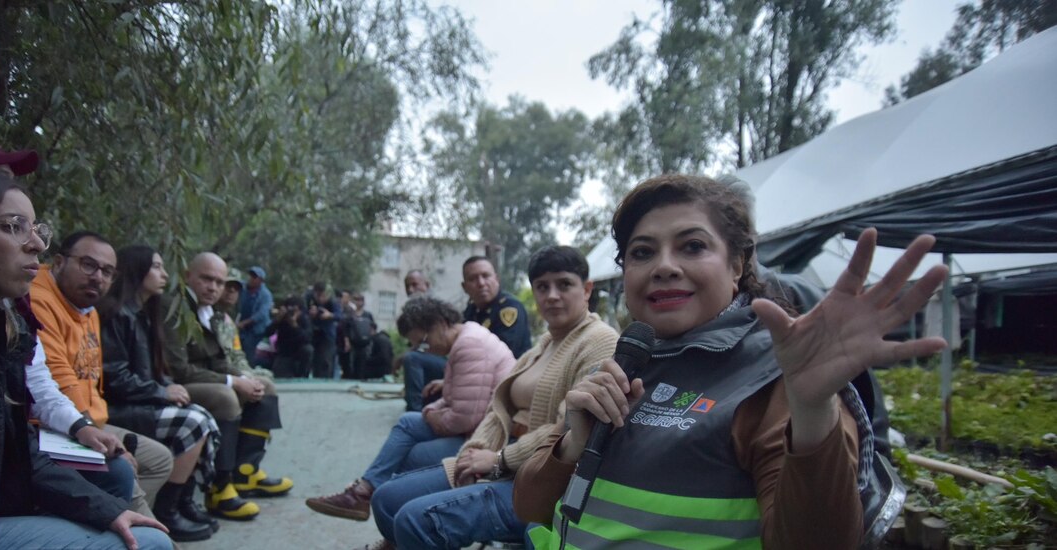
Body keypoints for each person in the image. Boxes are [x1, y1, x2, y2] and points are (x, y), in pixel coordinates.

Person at [513, 174, 949, 549]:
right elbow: (530, 507)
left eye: (693, 246)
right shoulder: (625, 363)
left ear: (737, 264)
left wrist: (813, 408)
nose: (664, 266)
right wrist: (572, 444)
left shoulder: (781, 377)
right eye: (642, 252)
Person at [0, 166, 172, 550]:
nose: (35, 245)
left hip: (72, 434)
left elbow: (11, 445)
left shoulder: (4, 320)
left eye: (36, 230)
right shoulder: (31, 308)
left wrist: (105, 509)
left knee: (148, 466)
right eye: (12, 227)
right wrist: (84, 426)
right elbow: (54, 385)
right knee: (125, 476)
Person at [362, 246, 620, 549]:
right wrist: (475, 452)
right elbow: (498, 410)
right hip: (500, 458)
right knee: (385, 499)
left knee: (412, 519)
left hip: (538, 481)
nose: (551, 295)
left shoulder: (600, 342)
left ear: (586, 289)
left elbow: (570, 429)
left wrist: (498, 460)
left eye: (564, 284)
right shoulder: (545, 343)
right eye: (542, 287)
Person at [306, 295, 516, 523]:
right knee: (407, 422)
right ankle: (364, 493)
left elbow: (464, 419)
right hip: (476, 425)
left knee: (409, 457)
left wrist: (431, 414)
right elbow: (454, 399)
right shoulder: (466, 338)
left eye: (424, 342)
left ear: (439, 324)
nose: (425, 349)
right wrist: (432, 411)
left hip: (489, 438)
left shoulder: (469, 346)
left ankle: (388, 525)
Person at [29, 231, 176, 519]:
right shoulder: (39, 300)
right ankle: (133, 522)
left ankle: (116, 519)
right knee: (121, 470)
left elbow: (93, 379)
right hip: (51, 426)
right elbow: (58, 380)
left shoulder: (88, 308)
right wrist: (94, 433)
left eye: (107, 271)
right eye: (88, 265)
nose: (98, 277)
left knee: (159, 460)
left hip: (92, 420)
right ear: (59, 262)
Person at [99, 245, 221, 541]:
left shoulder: (143, 313)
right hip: (116, 406)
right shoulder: (116, 313)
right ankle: (168, 511)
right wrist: (161, 392)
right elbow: (114, 377)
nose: (164, 274)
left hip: (138, 398)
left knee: (201, 415)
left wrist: (166, 386)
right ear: (136, 269)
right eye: (156, 267)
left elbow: (152, 369)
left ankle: (181, 502)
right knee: (193, 423)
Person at [163, 252, 293, 520]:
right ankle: (219, 488)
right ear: (188, 276)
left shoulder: (211, 312)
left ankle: (245, 472)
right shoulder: (174, 306)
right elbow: (179, 369)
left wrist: (245, 379)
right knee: (226, 398)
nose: (213, 287)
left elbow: (221, 362)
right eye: (206, 279)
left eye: (219, 282)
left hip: (202, 379)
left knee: (264, 386)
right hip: (174, 384)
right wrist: (234, 382)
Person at [461, 256, 531, 358]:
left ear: (496, 279)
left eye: (485, 276)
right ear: (464, 287)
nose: (481, 283)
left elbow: (503, 352)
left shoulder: (510, 307)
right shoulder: (471, 311)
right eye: (472, 279)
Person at [399, 269, 449, 411]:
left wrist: (407, 354)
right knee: (413, 358)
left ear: (426, 285)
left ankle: (413, 412)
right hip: (434, 361)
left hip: (448, 362)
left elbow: (438, 344)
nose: (410, 290)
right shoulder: (413, 310)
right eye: (407, 286)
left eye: (415, 285)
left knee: (412, 359)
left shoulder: (435, 308)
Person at [265, 296, 313, 378]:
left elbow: (307, 338)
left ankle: (303, 375)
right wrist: (278, 320)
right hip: (284, 352)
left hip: (300, 352)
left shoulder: (304, 320)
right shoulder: (282, 319)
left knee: (308, 350)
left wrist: (295, 325)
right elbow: (267, 333)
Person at [304, 282, 341, 379]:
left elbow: (340, 316)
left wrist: (330, 315)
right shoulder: (308, 298)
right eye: (318, 296)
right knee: (312, 358)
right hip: (312, 332)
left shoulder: (333, 301)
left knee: (325, 359)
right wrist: (310, 314)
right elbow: (302, 313)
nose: (321, 299)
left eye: (323, 296)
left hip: (327, 334)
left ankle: (325, 378)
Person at [237, 266, 272, 366]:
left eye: (254, 277)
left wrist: (244, 323)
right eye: (251, 276)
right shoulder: (243, 288)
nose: (251, 279)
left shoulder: (266, 295)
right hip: (242, 328)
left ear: (260, 280)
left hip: (257, 329)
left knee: (249, 349)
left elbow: (261, 314)